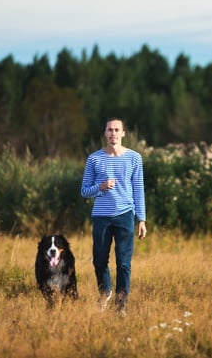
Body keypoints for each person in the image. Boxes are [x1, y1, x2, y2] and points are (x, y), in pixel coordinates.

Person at [81, 117, 147, 316]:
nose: (113, 134)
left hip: (125, 215)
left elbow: (138, 190)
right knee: (99, 261)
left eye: (117, 130)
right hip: (101, 216)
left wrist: (141, 219)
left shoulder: (134, 158)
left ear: (123, 133)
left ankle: (122, 304)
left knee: (123, 262)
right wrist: (100, 187)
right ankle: (105, 292)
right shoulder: (94, 159)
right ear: (105, 133)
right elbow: (84, 191)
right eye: (110, 130)